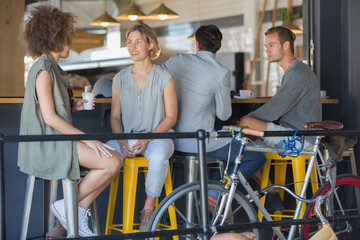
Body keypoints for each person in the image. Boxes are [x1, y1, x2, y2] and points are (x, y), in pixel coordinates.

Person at [18, 5, 123, 237]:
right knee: (111, 161)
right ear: (55, 38)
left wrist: (77, 105)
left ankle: (73, 211)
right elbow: (49, 117)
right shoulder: (43, 70)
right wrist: (89, 140)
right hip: (47, 144)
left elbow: (54, 108)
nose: (71, 41)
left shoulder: (55, 69)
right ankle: (67, 207)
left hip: (58, 140)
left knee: (114, 158)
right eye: (68, 36)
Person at [162, 25, 266, 209]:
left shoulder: (177, 59)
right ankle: (214, 193)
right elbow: (224, 114)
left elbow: (155, 80)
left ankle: (211, 196)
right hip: (199, 143)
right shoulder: (221, 72)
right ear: (219, 46)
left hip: (170, 140)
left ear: (196, 43)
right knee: (256, 157)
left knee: (226, 150)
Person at [238, 26, 322, 212]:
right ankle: (272, 193)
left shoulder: (298, 72)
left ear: (286, 45)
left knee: (244, 128)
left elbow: (275, 109)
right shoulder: (294, 71)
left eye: (271, 45)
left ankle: (271, 194)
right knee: (242, 149)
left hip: (300, 140)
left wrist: (244, 120)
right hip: (291, 134)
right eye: (266, 45)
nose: (267, 50)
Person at [106, 22, 177, 232]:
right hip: (127, 138)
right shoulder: (119, 78)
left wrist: (147, 139)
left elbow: (171, 117)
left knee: (158, 156)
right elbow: (115, 117)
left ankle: (148, 207)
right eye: (129, 42)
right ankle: (76, 213)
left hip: (158, 138)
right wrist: (120, 140)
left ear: (150, 45)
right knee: (103, 153)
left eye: (138, 42)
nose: (132, 47)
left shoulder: (165, 77)